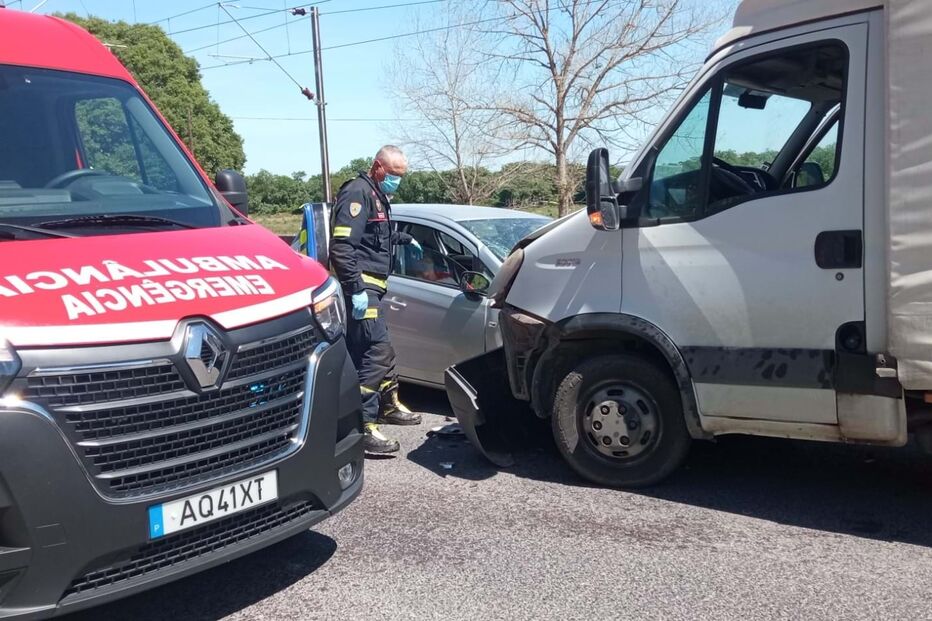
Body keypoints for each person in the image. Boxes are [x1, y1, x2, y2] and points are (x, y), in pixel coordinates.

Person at [329, 145, 426, 454]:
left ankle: (387, 405)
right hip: (362, 289)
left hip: (374, 288)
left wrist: (404, 238)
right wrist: (356, 289)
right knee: (375, 351)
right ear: (378, 167)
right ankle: (361, 425)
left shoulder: (376, 194)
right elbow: (342, 246)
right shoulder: (357, 193)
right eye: (394, 175)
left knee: (381, 350)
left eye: (402, 176)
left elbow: (375, 236)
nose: (397, 181)